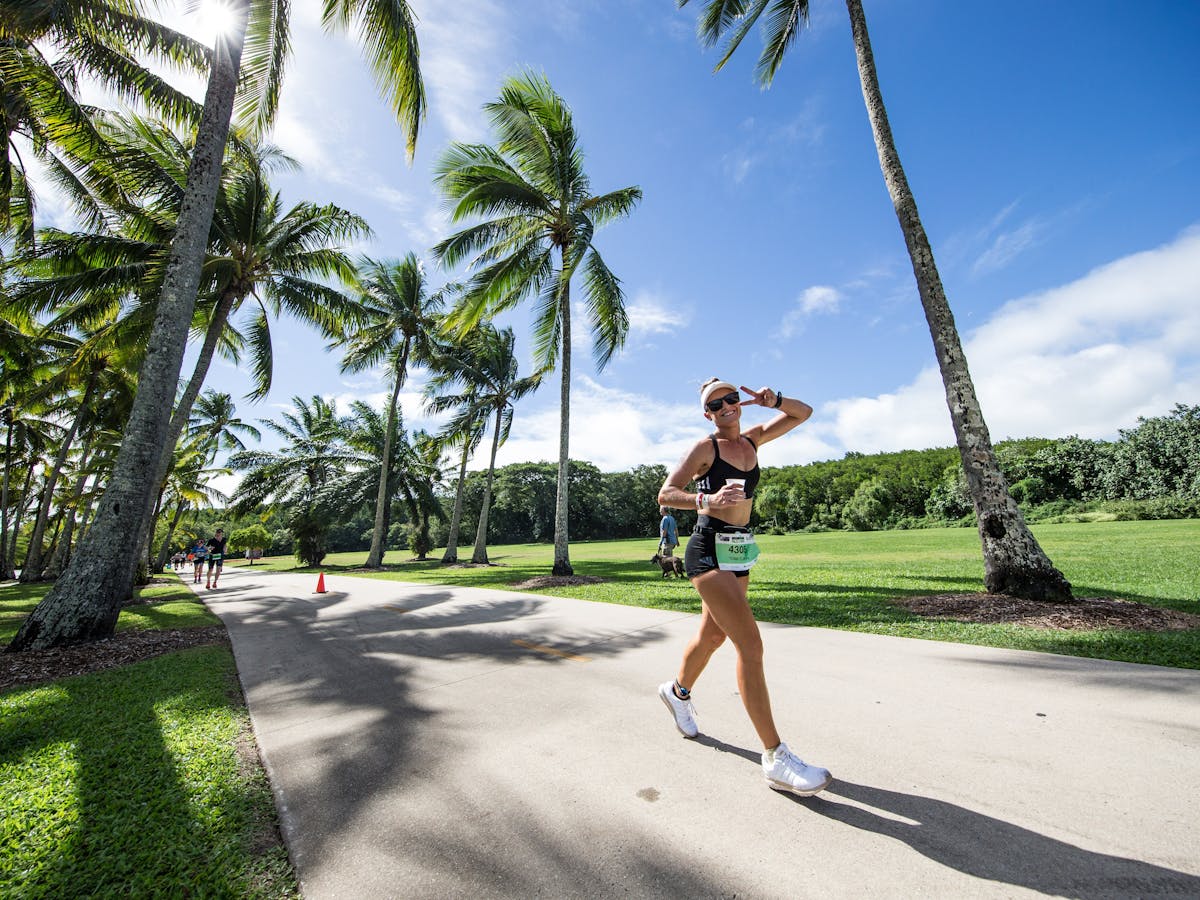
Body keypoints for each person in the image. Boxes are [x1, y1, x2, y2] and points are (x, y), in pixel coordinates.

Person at [656, 378, 833, 797]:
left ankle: (677, 692)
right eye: (716, 404)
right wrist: (707, 501)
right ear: (708, 414)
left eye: (732, 398)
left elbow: (803, 414)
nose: (727, 407)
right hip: (707, 549)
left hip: (738, 550)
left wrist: (776, 401)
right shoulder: (706, 448)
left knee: (713, 633)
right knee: (750, 647)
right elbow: (665, 493)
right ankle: (774, 757)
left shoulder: (753, 440)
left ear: (741, 402)